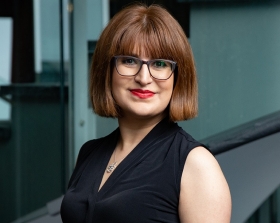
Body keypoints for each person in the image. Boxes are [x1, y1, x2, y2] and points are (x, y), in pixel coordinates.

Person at [60, 3, 231, 223]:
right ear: (107, 70)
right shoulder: (89, 153)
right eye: (129, 61)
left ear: (177, 77)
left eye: (159, 64)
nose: (143, 77)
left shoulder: (196, 164)